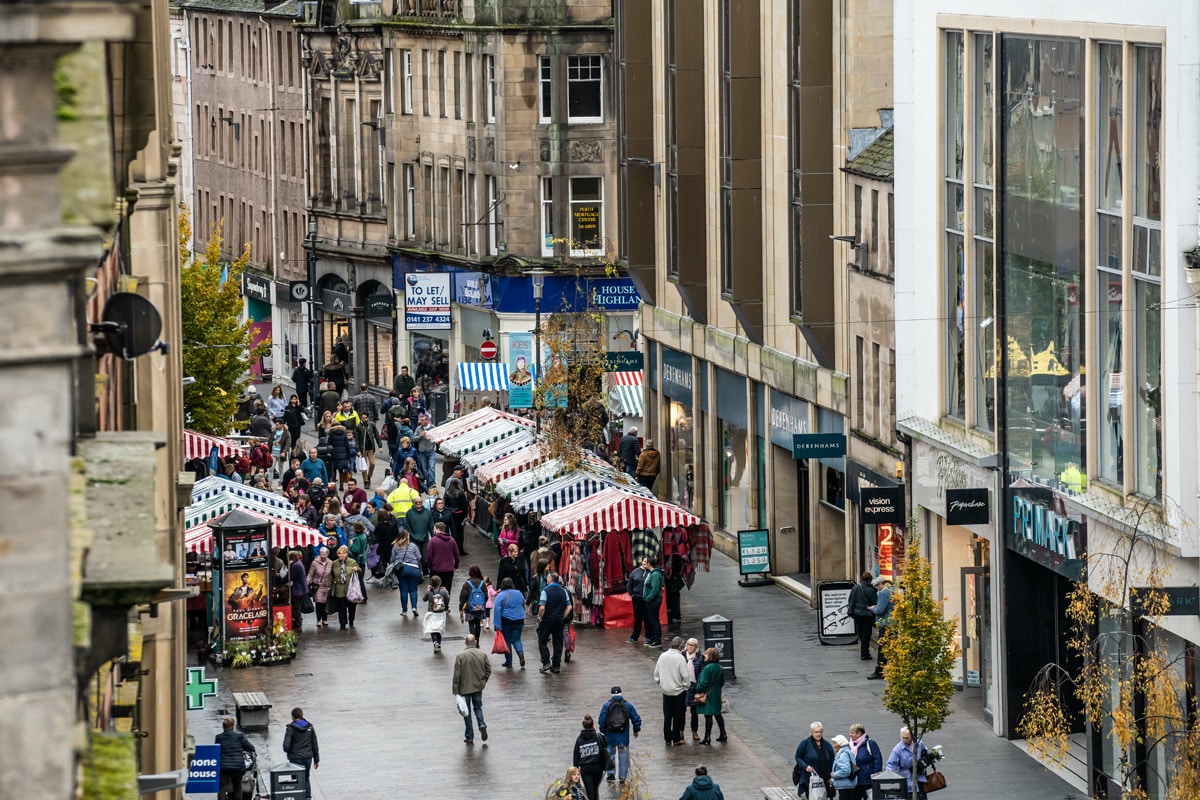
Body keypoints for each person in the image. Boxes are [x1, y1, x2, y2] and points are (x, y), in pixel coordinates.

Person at [452, 634, 492, 745]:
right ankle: (481, 724)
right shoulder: (482, 654)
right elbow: (488, 670)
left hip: (465, 688)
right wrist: (483, 681)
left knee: (467, 712)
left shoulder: (460, 656)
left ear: (465, 643)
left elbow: (457, 674)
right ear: (475, 642)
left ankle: (469, 736)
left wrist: (456, 690)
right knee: (478, 708)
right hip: (478, 687)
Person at [598, 686, 642, 785]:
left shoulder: (606, 705)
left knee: (610, 754)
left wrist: (603, 732)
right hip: (623, 736)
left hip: (610, 736)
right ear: (621, 694)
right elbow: (636, 718)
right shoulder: (628, 705)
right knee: (623, 756)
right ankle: (622, 777)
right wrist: (636, 730)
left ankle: (611, 774)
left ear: (611, 695)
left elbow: (601, 721)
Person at [655, 636, 693, 746]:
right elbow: (685, 676)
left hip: (666, 691)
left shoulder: (663, 656)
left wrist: (662, 684)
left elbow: (656, 674)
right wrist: (685, 687)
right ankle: (676, 738)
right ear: (680, 647)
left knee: (667, 716)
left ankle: (667, 738)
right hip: (678, 692)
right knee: (677, 715)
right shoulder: (680, 658)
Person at [536, 571, 570, 674]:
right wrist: (562, 616)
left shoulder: (545, 590)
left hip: (547, 619)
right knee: (558, 643)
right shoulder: (563, 591)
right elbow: (569, 606)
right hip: (559, 620)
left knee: (542, 641)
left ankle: (546, 662)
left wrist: (540, 617)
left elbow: (542, 607)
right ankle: (556, 666)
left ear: (550, 579)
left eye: (548, 577)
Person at [215, 716, 255, 800]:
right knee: (237, 787)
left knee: (222, 788)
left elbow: (216, 750)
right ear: (233, 726)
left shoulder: (218, 737)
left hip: (224, 767)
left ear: (223, 727)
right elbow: (250, 747)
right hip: (237, 766)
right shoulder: (239, 736)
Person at [282, 708, 319, 800]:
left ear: (293, 716)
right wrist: (316, 759)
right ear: (301, 715)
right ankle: (307, 797)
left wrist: (290, 752)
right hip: (307, 757)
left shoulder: (291, 728)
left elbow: (286, 746)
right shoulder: (309, 727)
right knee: (306, 777)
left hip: (295, 758)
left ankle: (297, 797)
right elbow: (315, 744)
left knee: (296, 779)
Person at [572, 715, 610, 800]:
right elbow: (606, 745)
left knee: (589, 791)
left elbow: (576, 756)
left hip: (585, 769)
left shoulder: (579, 739)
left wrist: (576, 770)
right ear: (593, 725)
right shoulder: (598, 736)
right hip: (598, 768)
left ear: (583, 726)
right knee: (595, 789)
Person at [693, 647, 726, 745]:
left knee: (708, 716)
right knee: (717, 714)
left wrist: (697, 689)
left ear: (711, 656)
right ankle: (723, 734)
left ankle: (707, 737)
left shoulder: (708, 668)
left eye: (706, 654)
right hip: (716, 693)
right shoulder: (720, 667)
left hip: (707, 694)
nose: (704, 655)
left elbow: (703, 682)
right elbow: (722, 682)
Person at [492, 577, 527, 669]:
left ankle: (509, 661)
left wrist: (497, 625)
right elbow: (523, 603)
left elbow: (497, 611)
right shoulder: (519, 593)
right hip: (519, 619)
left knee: (507, 640)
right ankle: (520, 653)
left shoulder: (500, 595)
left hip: (506, 620)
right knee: (516, 639)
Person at [886, 727, 929, 800]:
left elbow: (925, 754)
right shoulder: (898, 749)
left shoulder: (919, 744)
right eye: (903, 738)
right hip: (907, 783)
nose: (905, 740)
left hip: (920, 780)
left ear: (912, 736)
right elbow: (890, 765)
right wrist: (892, 778)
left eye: (907, 738)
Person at [794, 721, 835, 798]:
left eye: (820, 732)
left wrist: (832, 774)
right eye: (816, 732)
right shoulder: (805, 743)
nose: (818, 734)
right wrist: (806, 767)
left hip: (825, 777)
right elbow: (798, 757)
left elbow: (832, 760)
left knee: (824, 796)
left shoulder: (827, 745)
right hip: (809, 777)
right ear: (811, 732)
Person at [844, 723, 884, 800]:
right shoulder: (849, 744)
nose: (850, 735)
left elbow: (877, 760)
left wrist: (875, 776)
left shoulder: (870, 743)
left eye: (852, 733)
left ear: (859, 733)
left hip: (867, 781)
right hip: (853, 780)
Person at [389, 529, 423, 616]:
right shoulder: (413, 546)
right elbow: (419, 557)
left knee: (403, 591)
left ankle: (404, 611)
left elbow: (392, 560)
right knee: (413, 590)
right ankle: (414, 607)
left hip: (401, 570)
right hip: (414, 569)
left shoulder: (395, 547)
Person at [328, 545, 362, 630]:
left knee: (351, 607)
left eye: (341, 554)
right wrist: (329, 585)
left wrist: (356, 569)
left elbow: (360, 571)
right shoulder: (334, 563)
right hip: (339, 589)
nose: (340, 556)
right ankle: (342, 624)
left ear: (346, 554)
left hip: (350, 589)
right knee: (341, 608)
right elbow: (331, 576)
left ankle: (351, 620)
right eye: (338, 554)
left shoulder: (352, 562)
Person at [847, 571, 879, 661]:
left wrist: (852, 611)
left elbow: (850, 600)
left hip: (857, 614)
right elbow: (875, 603)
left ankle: (864, 652)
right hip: (867, 615)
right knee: (866, 635)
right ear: (869, 580)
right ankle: (864, 653)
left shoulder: (855, 587)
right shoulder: (871, 590)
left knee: (861, 634)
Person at [868, 576, 894, 680]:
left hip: (885, 623)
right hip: (890, 622)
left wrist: (873, 608)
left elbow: (880, 610)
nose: (876, 588)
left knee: (882, 647)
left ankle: (880, 670)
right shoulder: (890, 592)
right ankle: (886, 668)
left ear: (880, 584)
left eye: (876, 586)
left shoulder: (884, 593)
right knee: (886, 647)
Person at [426, 521, 461, 593]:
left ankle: (436, 604)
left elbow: (429, 556)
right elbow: (457, 555)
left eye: (434, 529)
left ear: (437, 529)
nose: (434, 531)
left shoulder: (432, 541)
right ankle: (446, 603)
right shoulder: (451, 540)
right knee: (447, 590)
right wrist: (456, 566)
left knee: (435, 591)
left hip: (435, 570)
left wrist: (429, 566)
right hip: (448, 570)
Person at [459, 565, 489, 641]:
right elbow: (486, 596)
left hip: (469, 608)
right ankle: (477, 639)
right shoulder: (482, 583)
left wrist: (461, 607)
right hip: (480, 607)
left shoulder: (467, 583)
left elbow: (463, 596)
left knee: (471, 624)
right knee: (478, 623)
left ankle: (473, 640)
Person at [423, 574, 451, 653]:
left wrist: (427, 590)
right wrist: (446, 592)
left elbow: (424, 599)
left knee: (433, 629)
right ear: (440, 583)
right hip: (441, 613)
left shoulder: (429, 591)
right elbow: (447, 600)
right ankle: (439, 643)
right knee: (439, 629)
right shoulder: (443, 591)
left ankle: (435, 642)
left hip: (431, 612)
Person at [306, 547, 333, 627]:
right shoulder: (315, 563)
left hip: (327, 586)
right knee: (319, 603)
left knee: (325, 603)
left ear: (327, 554)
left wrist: (331, 584)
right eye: (321, 554)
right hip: (317, 586)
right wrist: (306, 583)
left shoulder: (331, 562)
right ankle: (318, 620)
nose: (323, 556)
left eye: (324, 554)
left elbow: (332, 574)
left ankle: (325, 619)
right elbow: (310, 574)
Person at [641, 557, 665, 647]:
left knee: (654, 620)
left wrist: (648, 598)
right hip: (650, 601)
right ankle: (652, 638)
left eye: (646, 562)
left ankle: (657, 639)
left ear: (649, 564)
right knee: (651, 620)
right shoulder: (652, 573)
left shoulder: (655, 575)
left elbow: (654, 589)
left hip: (653, 601)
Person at [684, 638, 705, 741]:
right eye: (689, 644)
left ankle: (694, 732)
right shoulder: (682, 656)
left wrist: (698, 686)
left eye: (692, 645)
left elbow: (701, 673)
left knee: (694, 712)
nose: (690, 647)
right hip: (684, 687)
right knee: (681, 711)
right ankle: (680, 732)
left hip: (694, 688)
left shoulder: (700, 658)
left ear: (696, 647)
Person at [626, 558, 649, 645]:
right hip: (637, 599)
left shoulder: (650, 573)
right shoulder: (635, 572)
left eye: (647, 562)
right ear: (641, 562)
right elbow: (629, 585)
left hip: (647, 599)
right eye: (644, 561)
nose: (645, 563)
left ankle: (648, 637)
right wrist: (632, 594)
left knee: (647, 619)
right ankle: (635, 637)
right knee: (637, 618)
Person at [412, 412, 437, 487]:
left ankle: (432, 482)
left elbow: (436, 437)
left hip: (431, 450)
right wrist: (420, 436)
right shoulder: (419, 428)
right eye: (421, 420)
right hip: (422, 451)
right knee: (424, 468)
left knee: (431, 467)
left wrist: (430, 436)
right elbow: (413, 438)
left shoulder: (432, 427)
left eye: (423, 420)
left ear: (427, 420)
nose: (421, 422)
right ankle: (428, 482)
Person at [288, 551, 308, 630]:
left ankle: (298, 623)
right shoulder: (299, 563)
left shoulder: (295, 565)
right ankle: (298, 621)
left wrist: (282, 580)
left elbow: (290, 577)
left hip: (298, 590)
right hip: (301, 589)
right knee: (297, 607)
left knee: (296, 608)